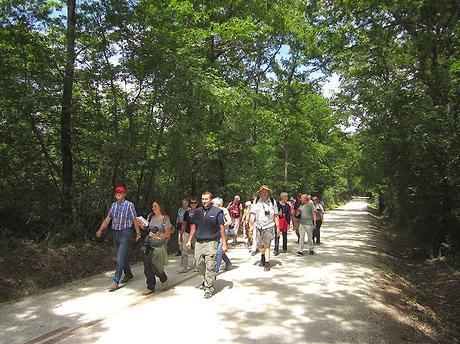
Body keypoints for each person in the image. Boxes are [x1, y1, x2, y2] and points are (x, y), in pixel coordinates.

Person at [96, 185, 139, 291]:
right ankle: (128, 274)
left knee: (119, 256)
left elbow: (135, 219)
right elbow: (108, 219)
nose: (118, 194)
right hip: (115, 233)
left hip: (126, 232)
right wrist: (100, 229)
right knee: (121, 256)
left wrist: (138, 232)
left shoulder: (129, 205)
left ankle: (115, 281)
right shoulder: (113, 206)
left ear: (124, 194)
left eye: (120, 192)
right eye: (116, 192)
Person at [186, 191, 227, 299]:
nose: (204, 201)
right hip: (199, 242)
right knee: (198, 264)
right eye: (203, 199)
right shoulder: (198, 211)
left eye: (206, 199)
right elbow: (194, 226)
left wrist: (224, 244)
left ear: (210, 199)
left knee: (210, 265)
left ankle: (208, 288)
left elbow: (222, 228)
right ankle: (209, 277)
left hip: (212, 242)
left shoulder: (217, 212)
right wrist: (189, 240)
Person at [138, 200, 172, 295]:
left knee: (155, 267)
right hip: (149, 245)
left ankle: (163, 277)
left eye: (155, 206)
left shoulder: (165, 219)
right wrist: (142, 226)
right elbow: (147, 228)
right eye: (153, 206)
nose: (153, 208)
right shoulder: (150, 217)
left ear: (160, 207)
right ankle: (150, 287)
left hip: (159, 246)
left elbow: (167, 233)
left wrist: (157, 236)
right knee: (147, 267)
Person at [249, 185, 279, 271]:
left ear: (268, 193)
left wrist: (277, 227)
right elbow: (252, 213)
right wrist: (251, 225)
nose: (265, 193)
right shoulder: (256, 201)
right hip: (259, 226)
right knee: (260, 245)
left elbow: (276, 215)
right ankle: (262, 254)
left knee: (267, 244)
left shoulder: (273, 201)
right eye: (263, 192)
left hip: (269, 226)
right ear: (260, 193)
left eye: (266, 192)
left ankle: (267, 262)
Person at [178, 196, 198, 273]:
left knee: (197, 250)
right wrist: (181, 234)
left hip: (197, 233)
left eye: (195, 203)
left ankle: (197, 266)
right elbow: (184, 224)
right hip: (187, 232)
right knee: (184, 249)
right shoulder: (187, 213)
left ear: (197, 203)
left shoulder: (199, 212)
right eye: (191, 203)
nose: (193, 204)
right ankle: (183, 267)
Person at [212, 197, 232, 273]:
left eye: (214, 203)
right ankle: (228, 262)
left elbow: (229, 221)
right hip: (215, 233)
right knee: (218, 251)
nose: (212, 205)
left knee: (219, 251)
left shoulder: (224, 210)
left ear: (218, 204)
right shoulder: (212, 211)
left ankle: (216, 270)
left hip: (224, 232)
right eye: (212, 203)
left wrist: (222, 225)